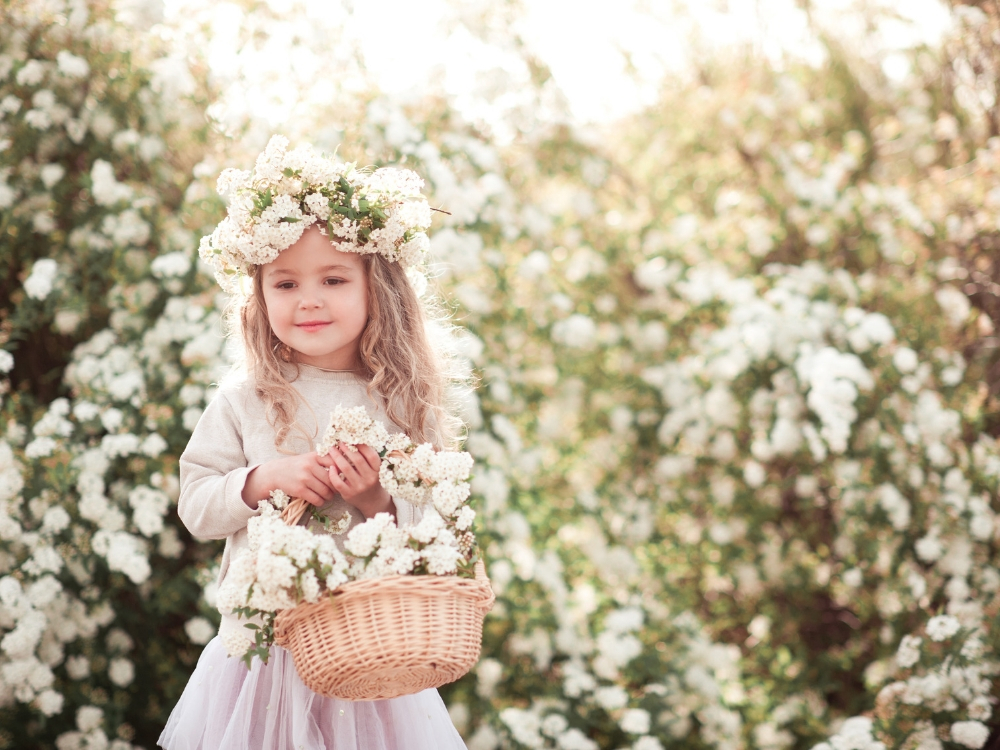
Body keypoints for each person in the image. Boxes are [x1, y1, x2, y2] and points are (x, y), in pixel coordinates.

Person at [158, 136, 467, 750]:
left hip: (369, 646)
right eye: (285, 284)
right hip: (264, 655)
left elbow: (436, 528)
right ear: (260, 296)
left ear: (375, 286)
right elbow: (196, 502)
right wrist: (264, 480)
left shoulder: (402, 402)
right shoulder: (247, 397)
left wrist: (377, 499)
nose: (310, 300)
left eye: (332, 278)